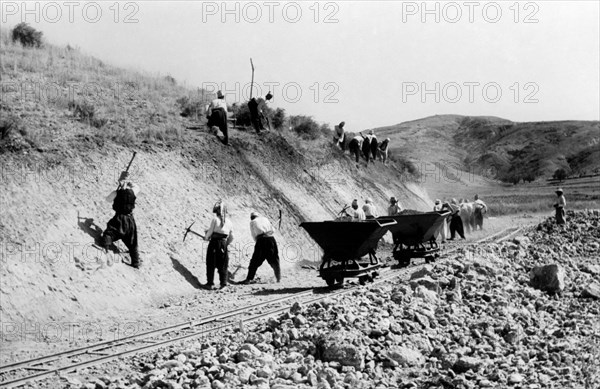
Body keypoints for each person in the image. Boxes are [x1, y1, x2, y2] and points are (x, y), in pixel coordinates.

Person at [101, 171, 141, 268]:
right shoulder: (133, 191)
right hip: (130, 219)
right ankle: (135, 262)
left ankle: (106, 248)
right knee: (132, 241)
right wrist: (129, 182)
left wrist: (117, 191)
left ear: (119, 182)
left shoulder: (116, 193)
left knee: (109, 232)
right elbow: (137, 187)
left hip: (119, 218)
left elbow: (107, 200)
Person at [242, 212, 281, 284]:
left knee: (255, 260)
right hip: (271, 239)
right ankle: (278, 278)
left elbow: (253, 235)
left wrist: (258, 241)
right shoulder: (265, 219)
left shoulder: (252, 222)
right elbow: (273, 230)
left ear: (252, 217)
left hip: (261, 240)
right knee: (274, 259)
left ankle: (249, 279)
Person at [204, 200, 234, 289]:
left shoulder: (215, 219)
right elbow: (232, 237)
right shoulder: (229, 222)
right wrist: (225, 244)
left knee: (211, 262)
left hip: (214, 243)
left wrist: (206, 237)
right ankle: (223, 284)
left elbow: (210, 232)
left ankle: (210, 284)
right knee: (223, 264)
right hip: (223, 244)